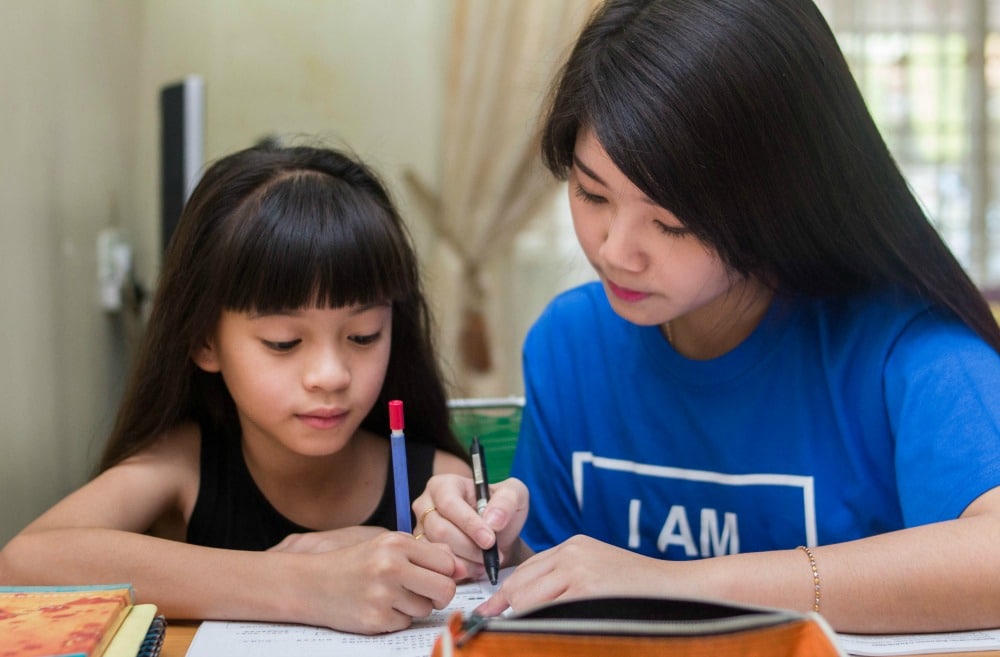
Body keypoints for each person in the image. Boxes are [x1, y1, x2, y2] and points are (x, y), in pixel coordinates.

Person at [413, 0, 1000, 634]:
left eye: (671, 222)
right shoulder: (571, 344)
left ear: (778, 202)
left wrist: (676, 585)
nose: (615, 252)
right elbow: (563, 568)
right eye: (591, 193)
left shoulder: (911, 352)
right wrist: (494, 549)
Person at [0, 144, 472, 634]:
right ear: (206, 340)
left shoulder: (433, 480)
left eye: (363, 335)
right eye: (283, 342)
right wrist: (303, 583)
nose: (331, 375)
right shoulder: (183, 465)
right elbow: (23, 563)